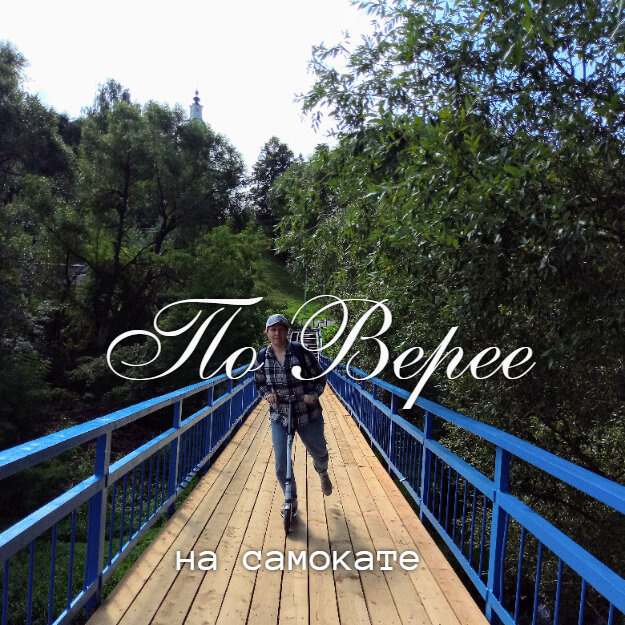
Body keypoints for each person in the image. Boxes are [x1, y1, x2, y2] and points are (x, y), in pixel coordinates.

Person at [254, 314, 332, 518]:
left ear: (287, 332)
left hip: (307, 414)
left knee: (320, 453)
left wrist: (313, 395)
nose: (277, 333)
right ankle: (291, 499)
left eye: (281, 329)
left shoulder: (300, 351)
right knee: (281, 463)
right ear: (267, 332)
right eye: (273, 329)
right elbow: (259, 383)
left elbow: (320, 377)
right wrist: (267, 395)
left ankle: (322, 472)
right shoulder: (262, 357)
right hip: (280, 416)